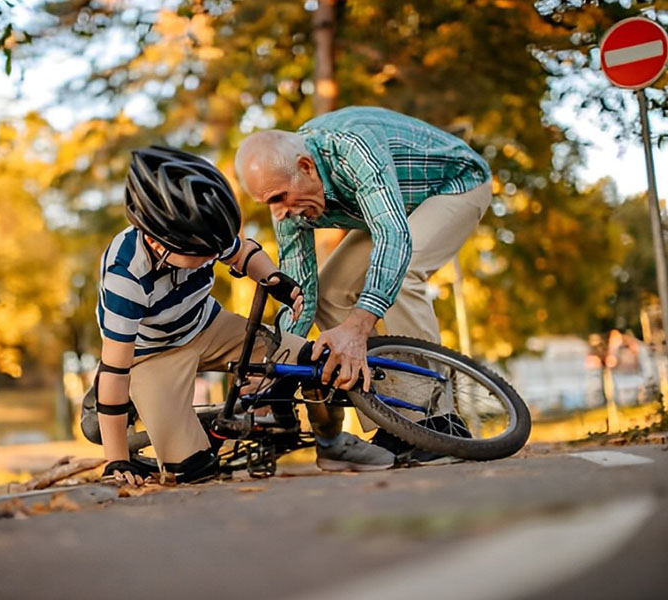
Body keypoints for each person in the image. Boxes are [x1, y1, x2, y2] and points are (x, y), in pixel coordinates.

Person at [94, 146, 395, 485]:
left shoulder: (204, 229)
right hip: (150, 354)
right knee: (191, 472)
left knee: (312, 360)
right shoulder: (126, 275)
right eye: (203, 253)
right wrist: (116, 460)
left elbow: (241, 253)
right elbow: (115, 371)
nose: (213, 257)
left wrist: (272, 277)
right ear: (159, 241)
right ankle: (186, 431)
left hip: (207, 324)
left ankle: (331, 443)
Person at [234, 106, 492, 455]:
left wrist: (359, 326)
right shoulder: (289, 200)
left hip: (454, 186)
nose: (279, 213)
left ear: (305, 168)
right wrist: (274, 367)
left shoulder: (352, 147)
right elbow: (300, 293)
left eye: (279, 198)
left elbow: (394, 238)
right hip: (394, 208)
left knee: (402, 271)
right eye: (268, 204)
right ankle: (393, 419)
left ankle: (437, 419)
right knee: (329, 293)